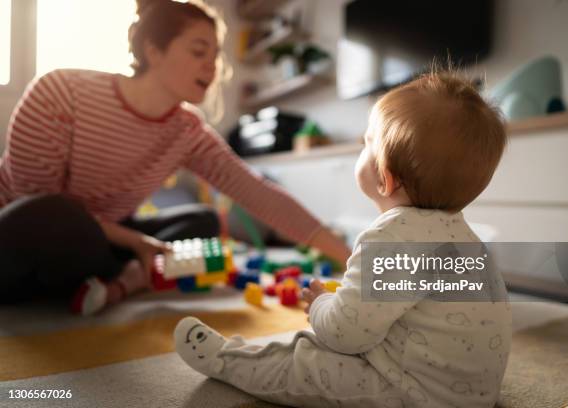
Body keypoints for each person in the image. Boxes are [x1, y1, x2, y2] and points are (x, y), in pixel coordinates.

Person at [174, 72, 513, 408]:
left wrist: (321, 304)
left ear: (386, 178)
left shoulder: (389, 238)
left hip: (414, 395)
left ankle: (226, 360)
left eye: (367, 143)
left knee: (306, 361)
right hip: (474, 396)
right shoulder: (470, 241)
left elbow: (343, 335)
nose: (360, 148)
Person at [0, 0, 350, 314]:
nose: (212, 68)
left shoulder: (188, 132)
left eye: (215, 57)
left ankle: (114, 278)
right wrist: (137, 243)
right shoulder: (62, 92)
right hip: (27, 230)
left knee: (204, 221)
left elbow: (260, 194)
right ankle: (125, 276)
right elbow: (33, 200)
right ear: (154, 50)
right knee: (55, 214)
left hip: (104, 236)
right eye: (199, 52)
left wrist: (353, 262)